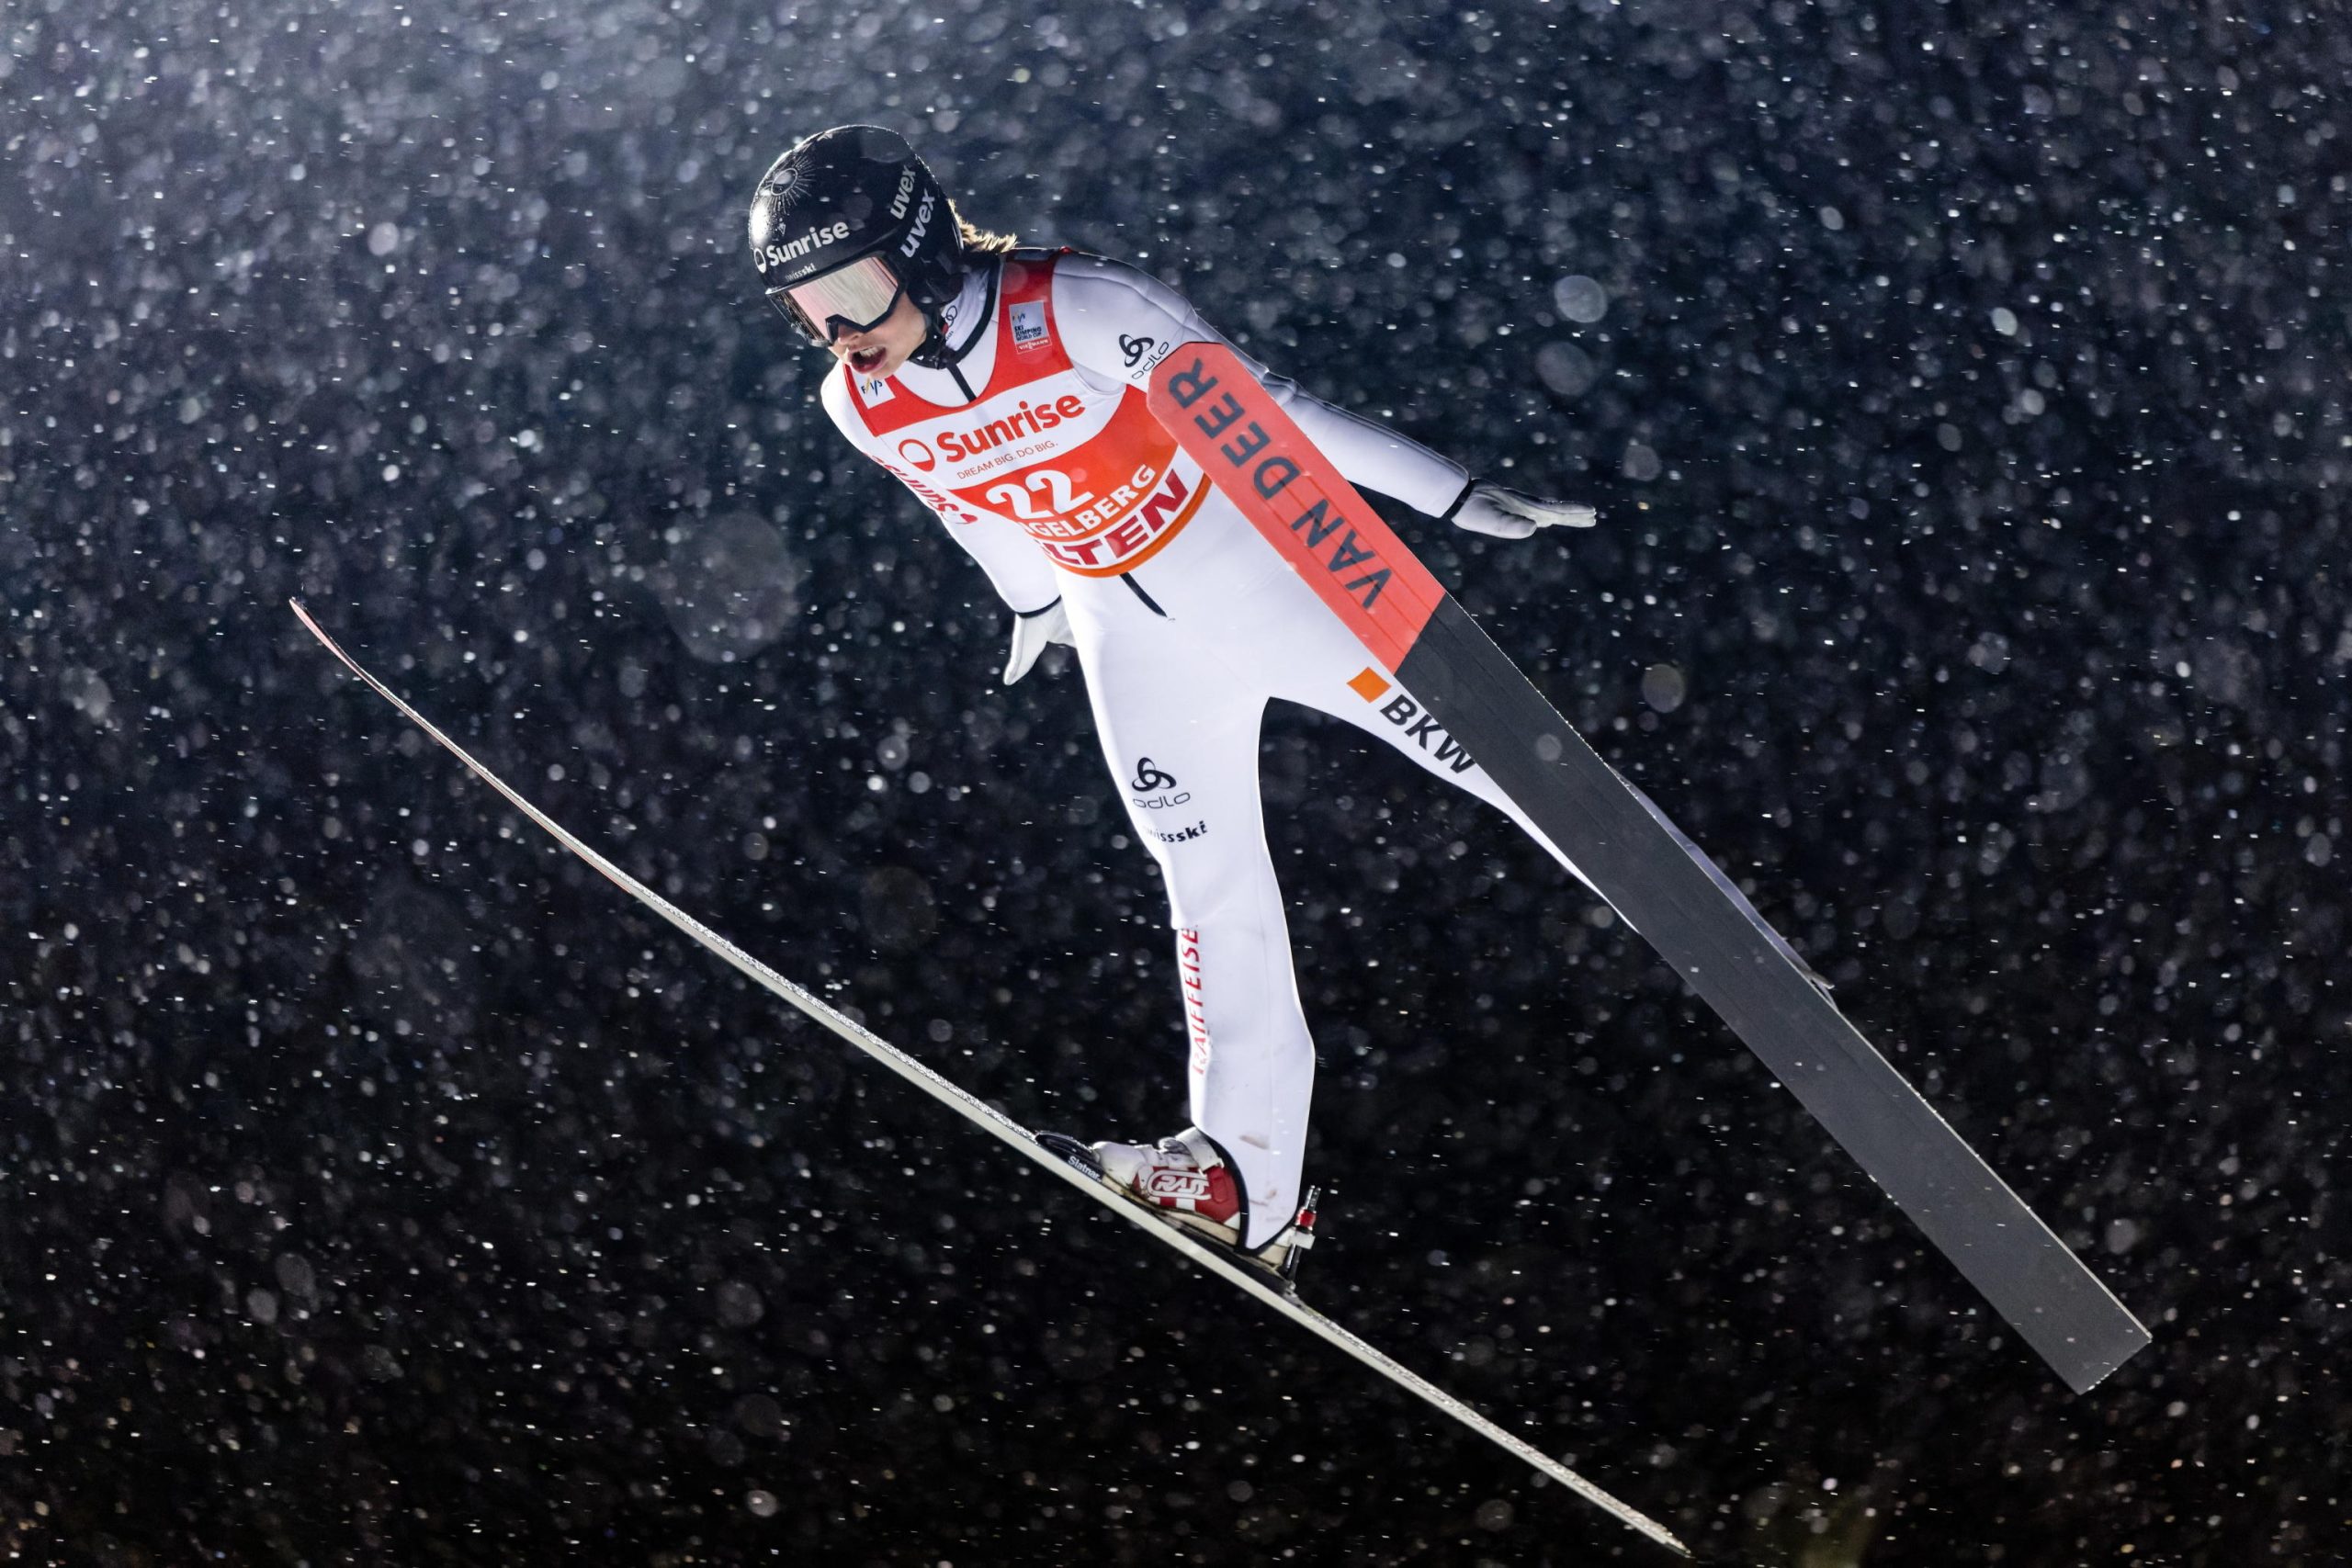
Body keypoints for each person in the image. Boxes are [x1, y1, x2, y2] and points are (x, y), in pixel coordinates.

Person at [750, 125, 1599, 1280]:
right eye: (806, 312)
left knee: (1512, 774)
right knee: (1205, 881)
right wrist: (1030, 608)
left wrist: (1451, 496)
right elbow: (969, 508)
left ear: (919, 247)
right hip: (1128, 637)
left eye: (850, 293)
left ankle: (1733, 939)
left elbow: (1276, 413)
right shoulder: (860, 405)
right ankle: (1249, 1179)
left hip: (1264, 581)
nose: (841, 334)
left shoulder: (1079, 308)